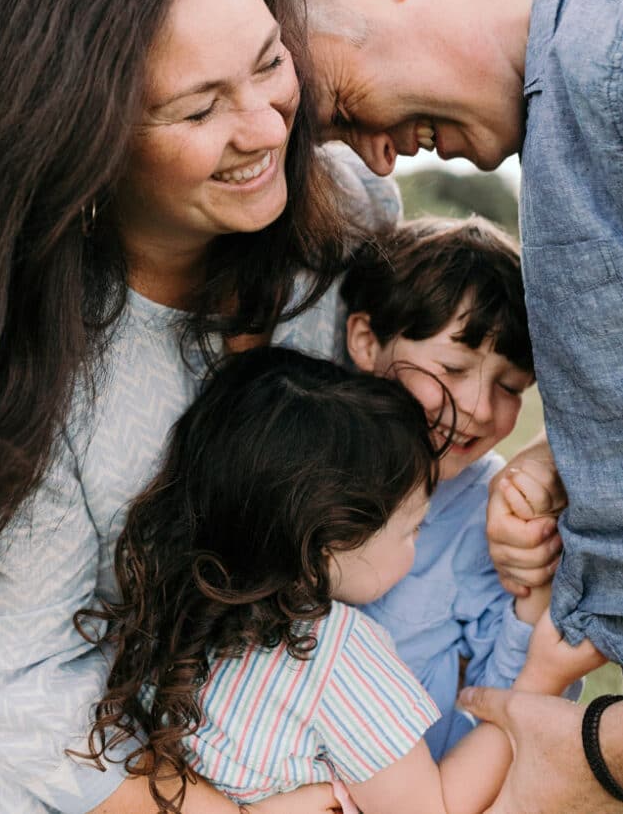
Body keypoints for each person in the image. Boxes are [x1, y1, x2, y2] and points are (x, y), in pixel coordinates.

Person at [0, 0, 403, 814]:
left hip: (305, 747)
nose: (266, 125)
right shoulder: (11, 375)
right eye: (198, 107)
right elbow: (13, 682)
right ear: (78, 141)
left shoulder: (342, 213)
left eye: (270, 62)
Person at [259, 0, 623, 811]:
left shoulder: (609, 39)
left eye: (340, 106)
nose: (376, 157)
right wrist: (562, 452)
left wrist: (596, 749)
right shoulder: (573, 102)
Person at [84, 346, 602, 814]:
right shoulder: (336, 658)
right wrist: (538, 681)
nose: (418, 544)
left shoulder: (171, 606)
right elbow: (435, 809)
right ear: (323, 548)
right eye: (412, 528)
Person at [340, 215, 577, 759]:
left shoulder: (491, 513)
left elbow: (501, 691)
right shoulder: (307, 457)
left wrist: (533, 594)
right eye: (452, 367)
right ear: (365, 342)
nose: (476, 407)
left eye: (510, 386)